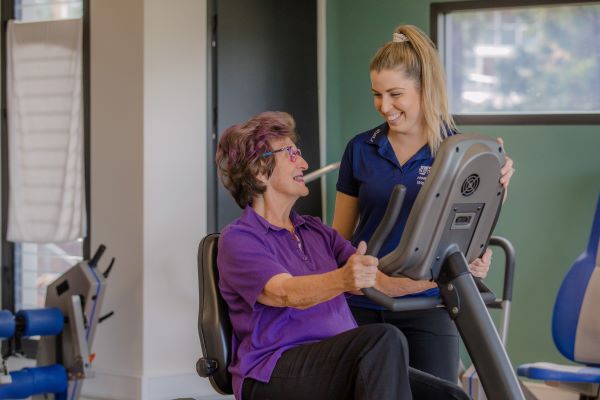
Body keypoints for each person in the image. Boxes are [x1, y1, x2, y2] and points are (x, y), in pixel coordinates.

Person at [333, 25, 515, 383]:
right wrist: (365, 281)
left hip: (428, 304)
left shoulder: (461, 153)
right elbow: (338, 237)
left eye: (395, 93)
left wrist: (475, 257)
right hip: (361, 303)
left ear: (423, 88)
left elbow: (471, 230)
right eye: (377, 94)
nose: (385, 106)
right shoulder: (360, 148)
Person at [215, 111, 414, 400]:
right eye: (292, 153)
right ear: (260, 170)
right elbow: (282, 293)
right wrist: (344, 279)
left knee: (448, 394)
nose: (304, 163)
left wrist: (450, 277)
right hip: (271, 370)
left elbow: (382, 282)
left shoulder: (315, 231)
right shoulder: (240, 239)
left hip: (338, 361)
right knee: (382, 340)